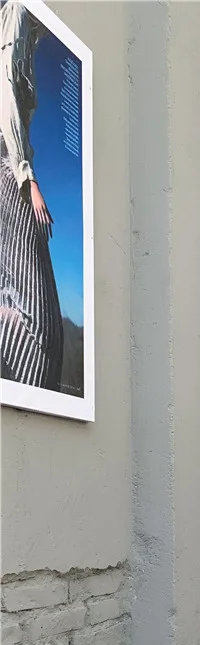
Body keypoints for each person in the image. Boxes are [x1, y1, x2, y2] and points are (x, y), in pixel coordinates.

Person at [0, 0, 63, 390]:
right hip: (9, 164)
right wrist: (29, 179)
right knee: (41, 325)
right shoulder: (20, 12)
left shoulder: (29, 25)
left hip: (12, 164)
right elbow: (6, 90)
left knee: (43, 321)